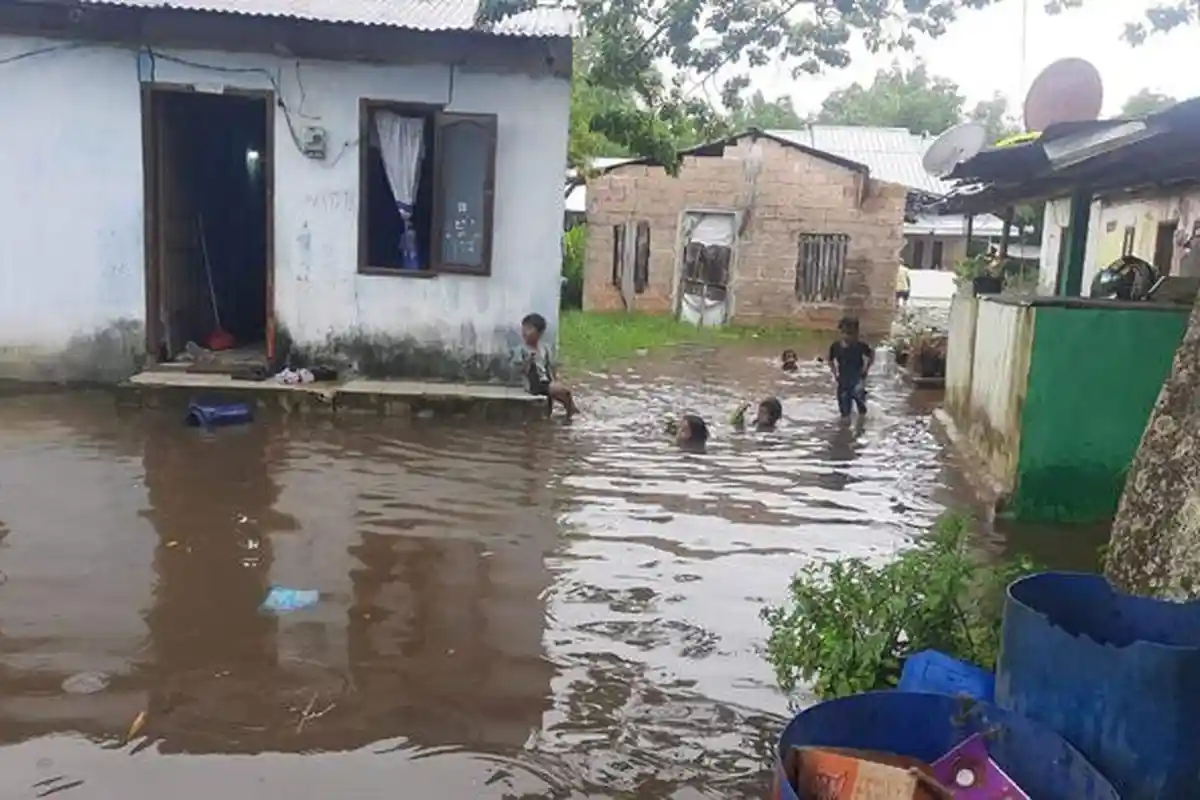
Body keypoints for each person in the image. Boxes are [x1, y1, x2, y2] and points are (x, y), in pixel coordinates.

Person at [520, 312, 578, 418]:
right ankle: (572, 414)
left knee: (565, 394)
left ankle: (570, 414)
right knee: (563, 391)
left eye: (529, 329)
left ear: (539, 333)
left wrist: (555, 380)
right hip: (533, 383)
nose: (525, 332)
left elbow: (550, 367)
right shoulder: (522, 350)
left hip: (546, 382)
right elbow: (522, 371)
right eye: (524, 328)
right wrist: (528, 361)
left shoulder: (545, 348)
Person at [828, 317, 873, 419]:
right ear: (841, 332)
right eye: (845, 333)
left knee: (860, 403)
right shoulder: (835, 346)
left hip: (857, 379)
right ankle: (846, 430)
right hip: (843, 381)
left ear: (857, 333)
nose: (848, 336)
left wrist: (866, 369)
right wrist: (835, 373)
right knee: (844, 412)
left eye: (852, 333)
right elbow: (830, 360)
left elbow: (871, 355)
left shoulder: (861, 346)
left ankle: (861, 425)